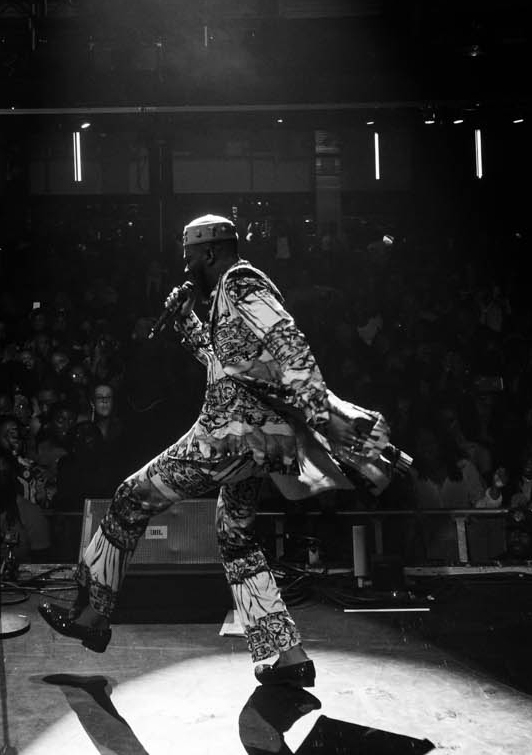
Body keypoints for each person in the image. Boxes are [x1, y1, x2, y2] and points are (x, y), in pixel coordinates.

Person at [40, 214, 364, 689]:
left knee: (131, 497)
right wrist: (186, 318)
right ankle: (288, 654)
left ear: (209, 252)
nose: (184, 262)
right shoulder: (224, 297)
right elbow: (220, 362)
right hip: (252, 444)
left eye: (189, 254)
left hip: (228, 436)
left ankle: (91, 616)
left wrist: (324, 410)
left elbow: (290, 344)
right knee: (236, 539)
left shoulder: (241, 281)